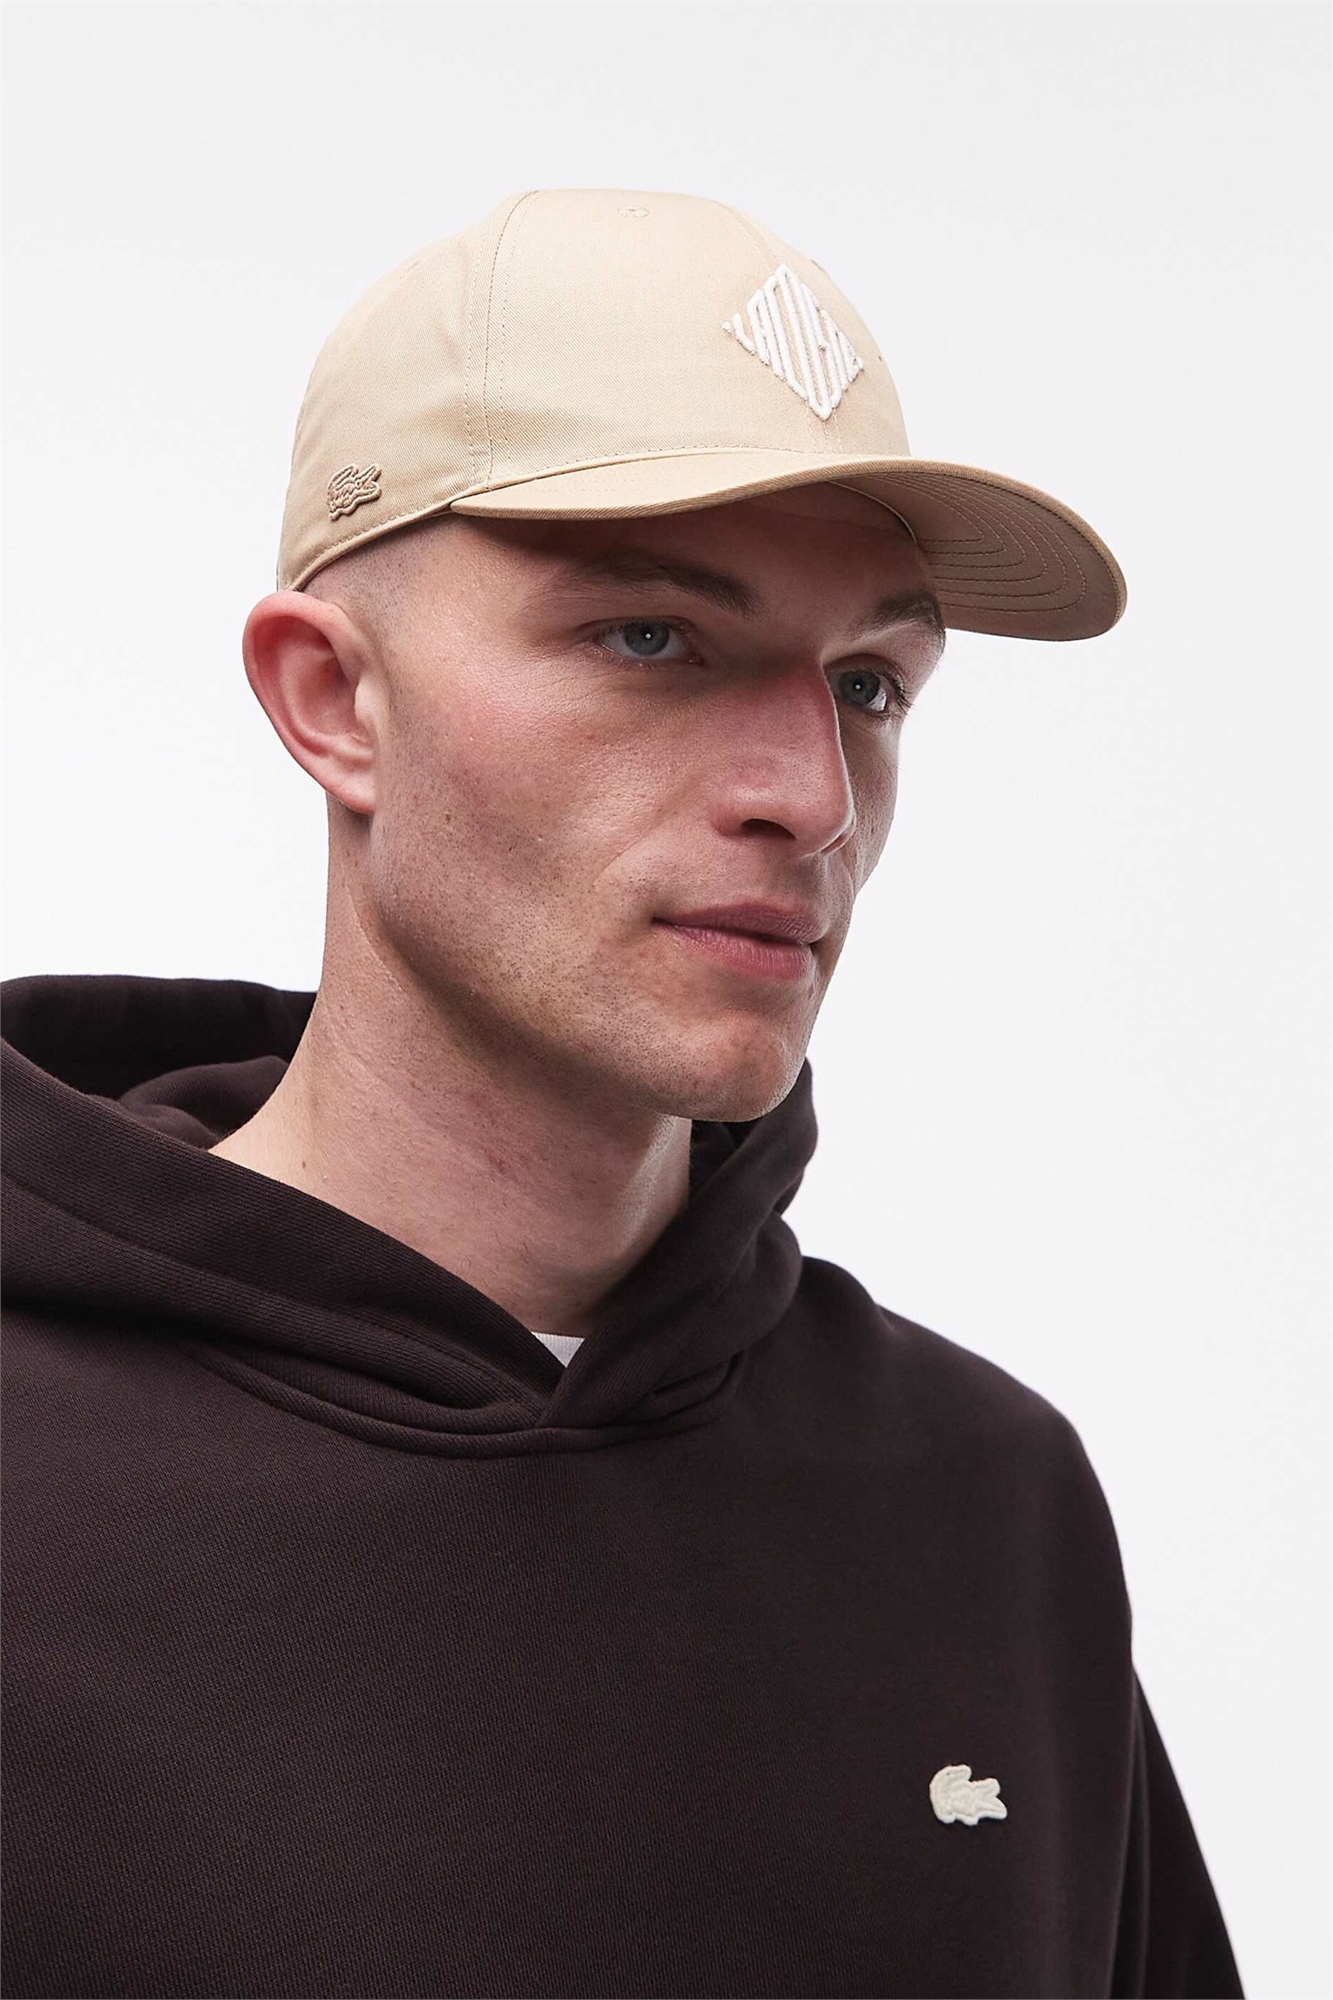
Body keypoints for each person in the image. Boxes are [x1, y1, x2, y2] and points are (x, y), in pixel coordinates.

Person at [0, 189, 1243, 1998]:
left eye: (869, 682)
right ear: (331, 699)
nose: (809, 796)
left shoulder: (982, 1501)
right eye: (652, 638)